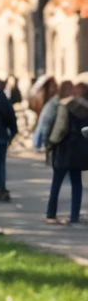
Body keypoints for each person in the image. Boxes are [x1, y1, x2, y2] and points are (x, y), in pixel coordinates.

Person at [45, 79, 88, 225]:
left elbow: (61, 127)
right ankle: (74, 215)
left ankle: (51, 214)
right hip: (80, 149)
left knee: (56, 182)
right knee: (77, 184)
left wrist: (51, 142)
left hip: (65, 148)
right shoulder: (84, 106)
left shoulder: (64, 105)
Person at [33, 78, 71, 151]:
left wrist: (49, 142)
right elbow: (47, 122)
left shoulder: (58, 103)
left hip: (60, 143)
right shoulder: (55, 103)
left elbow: (59, 126)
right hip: (61, 143)